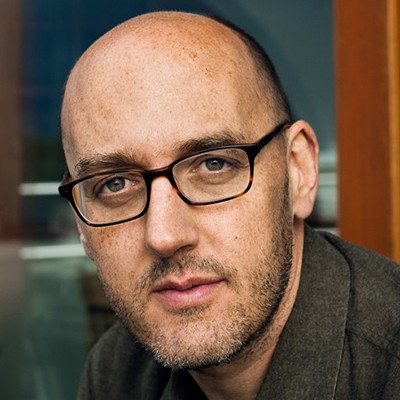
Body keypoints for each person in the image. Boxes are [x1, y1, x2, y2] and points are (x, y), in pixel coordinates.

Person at [58, 11, 400, 399]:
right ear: (81, 226)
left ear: (298, 171)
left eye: (213, 164)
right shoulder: (119, 372)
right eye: (115, 184)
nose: (166, 236)